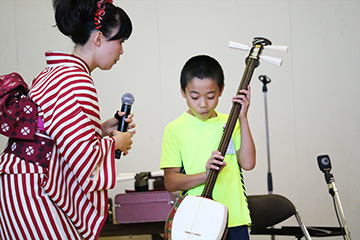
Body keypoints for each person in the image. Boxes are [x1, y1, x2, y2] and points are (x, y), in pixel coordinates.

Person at [0, 0, 135, 239]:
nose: (122, 51)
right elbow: (83, 158)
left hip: (17, 182)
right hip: (33, 191)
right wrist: (116, 142)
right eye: (120, 41)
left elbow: (54, 132)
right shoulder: (78, 80)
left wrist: (101, 130)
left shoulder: (54, 71)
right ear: (99, 39)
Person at [160, 55, 256, 240]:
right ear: (183, 91)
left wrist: (243, 117)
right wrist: (206, 175)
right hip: (197, 220)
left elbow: (249, 163)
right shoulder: (175, 129)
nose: (203, 104)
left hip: (234, 218)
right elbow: (170, 182)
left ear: (221, 90)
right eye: (194, 96)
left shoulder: (231, 123)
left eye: (210, 96)